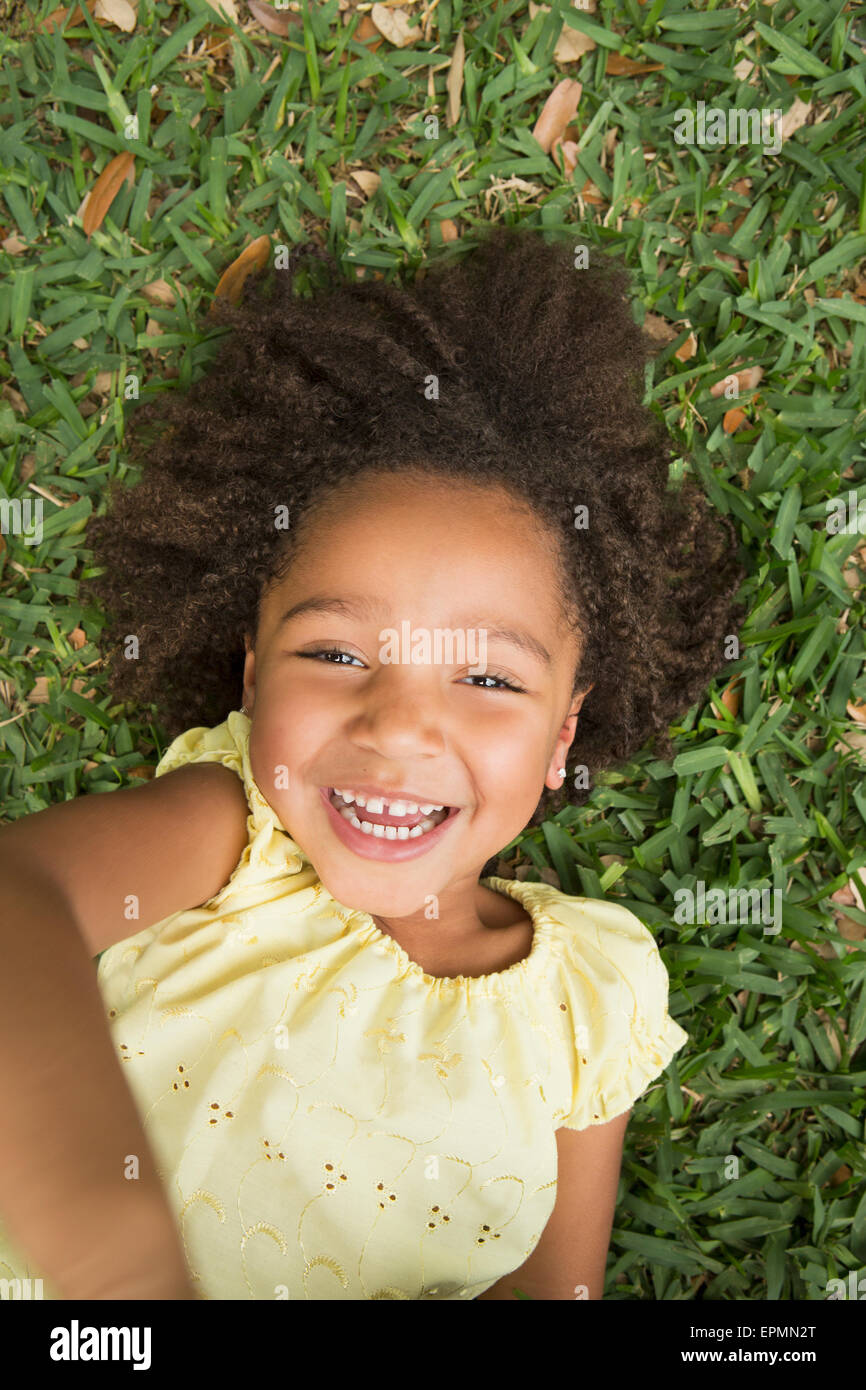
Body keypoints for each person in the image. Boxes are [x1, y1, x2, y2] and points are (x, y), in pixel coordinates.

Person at [0, 226, 746, 1300]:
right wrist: (120, 1263)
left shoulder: (587, 997)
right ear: (252, 679)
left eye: (488, 679)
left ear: (563, 735)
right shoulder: (232, 836)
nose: (398, 727)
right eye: (337, 653)